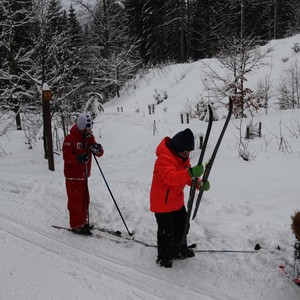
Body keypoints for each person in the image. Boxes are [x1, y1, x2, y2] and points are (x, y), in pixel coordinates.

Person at [150, 128, 210, 268]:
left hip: (176, 201)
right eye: (185, 151)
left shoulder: (182, 158)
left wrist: (199, 184)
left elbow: (187, 178)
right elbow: (172, 178)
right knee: (166, 232)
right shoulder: (163, 159)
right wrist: (190, 172)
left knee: (183, 226)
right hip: (162, 204)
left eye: (189, 151)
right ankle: (164, 256)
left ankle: (179, 250)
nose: (187, 154)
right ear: (177, 148)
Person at [63, 113, 104, 236]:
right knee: (75, 201)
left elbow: (99, 152)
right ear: (82, 127)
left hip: (84, 175)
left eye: (91, 128)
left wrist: (98, 149)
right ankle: (76, 224)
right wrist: (78, 158)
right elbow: (66, 157)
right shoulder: (70, 138)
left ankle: (84, 221)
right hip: (73, 176)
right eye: (88, 128)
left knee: (85, 200)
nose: (90, 131)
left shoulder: (89, 137)